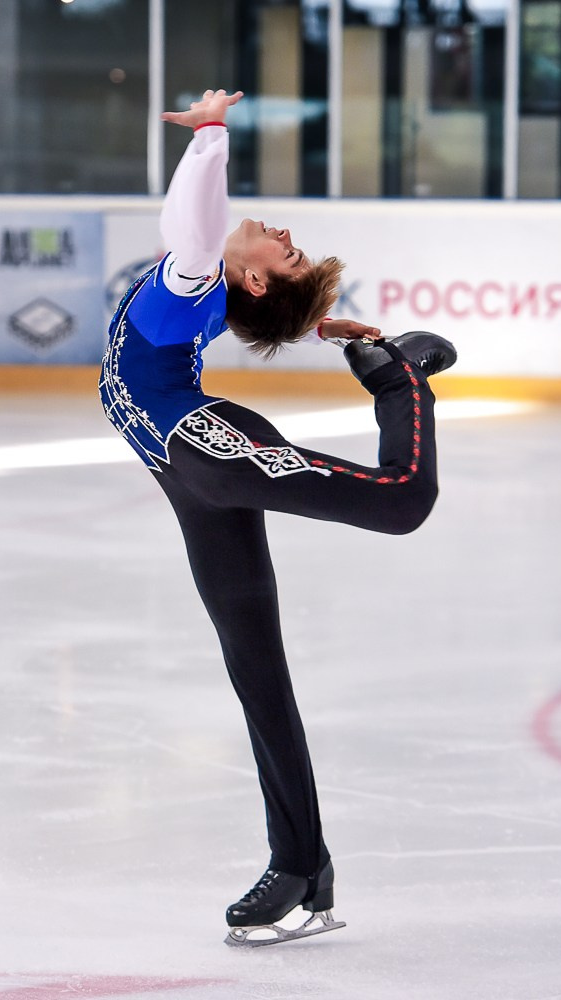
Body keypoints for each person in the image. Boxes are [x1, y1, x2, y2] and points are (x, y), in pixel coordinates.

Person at [99, 89, 456, 947]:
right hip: (186, 471)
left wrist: (212, 137)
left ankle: (400, 379)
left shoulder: (190, 279)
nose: (286, 237)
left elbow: (195, 226)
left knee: (402, 499)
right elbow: (217, 260)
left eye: (286, 258)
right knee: (258, 674)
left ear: (250, 276)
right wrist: (311, 320)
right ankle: (302, 868)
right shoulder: (203, 294)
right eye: (290, 255)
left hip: (214, 453)